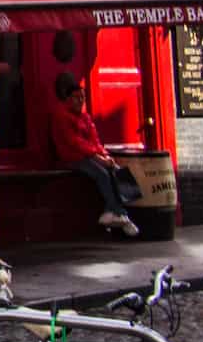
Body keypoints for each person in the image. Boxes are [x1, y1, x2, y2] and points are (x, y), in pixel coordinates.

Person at [52, 73, 139, 237]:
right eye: (77, 97)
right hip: (71, 157)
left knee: (116, 171)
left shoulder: (85, 117)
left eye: (82, 97)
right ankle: (120, 215)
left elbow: (94, 140)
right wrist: (97, 157)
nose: (80, 101)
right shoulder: (61, 116)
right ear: (68, 99)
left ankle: (115, 212)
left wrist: (105, 156)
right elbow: (75, 143)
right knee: (102, 174)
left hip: (87, 155)